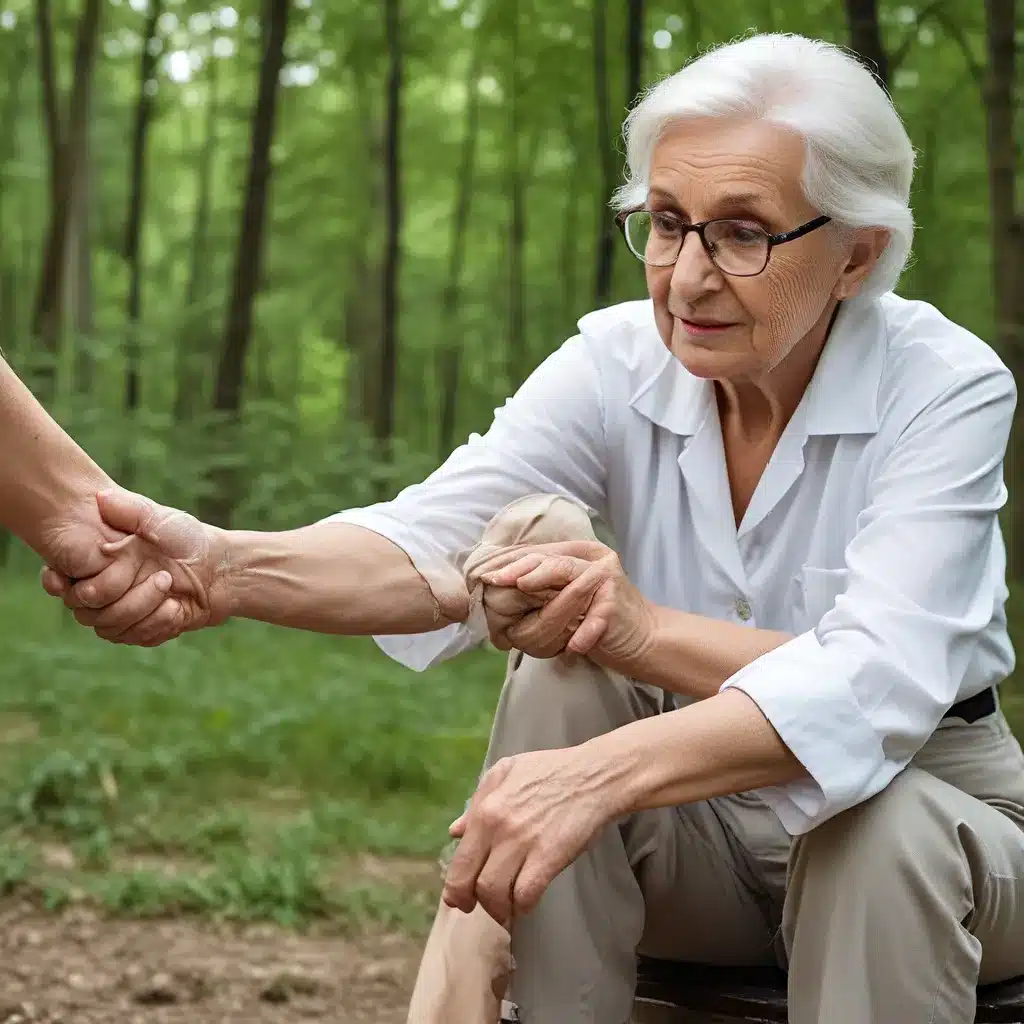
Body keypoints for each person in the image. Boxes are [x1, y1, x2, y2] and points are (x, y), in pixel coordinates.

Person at [45, 31, 1024, 1024]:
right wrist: (222, 567)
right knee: (558, 660)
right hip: (700, 844)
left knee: (877, 832)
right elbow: (433, 543)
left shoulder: (944, 386)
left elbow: (880, 680)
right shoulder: (615, 359)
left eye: (741, 233)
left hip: (939, 833)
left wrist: (610, 728)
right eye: (668, 223)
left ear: (856, 253)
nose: (687, 278)